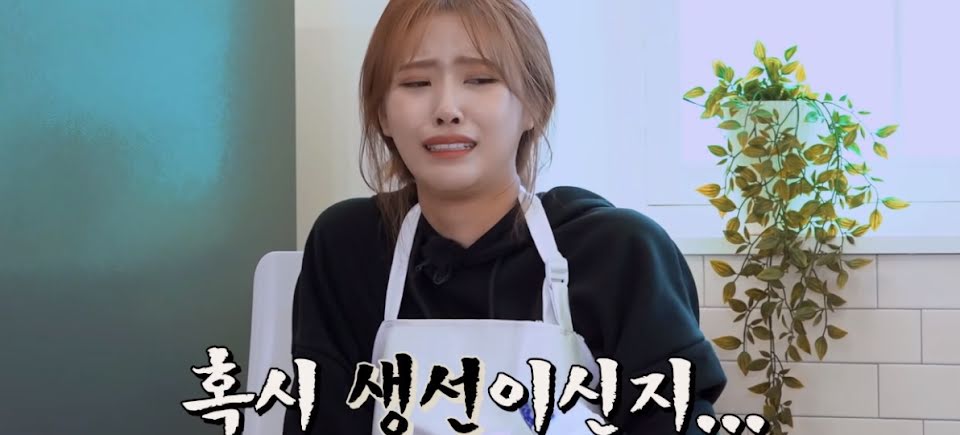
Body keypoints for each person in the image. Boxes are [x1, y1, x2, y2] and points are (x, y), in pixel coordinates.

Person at [283, 0, 726, 433]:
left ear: (535, 105)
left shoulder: (620, 252)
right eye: (416, 83)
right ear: (382, 113)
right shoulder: (348, 249)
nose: (447, 109)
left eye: (480, 79)